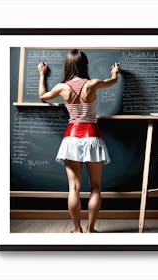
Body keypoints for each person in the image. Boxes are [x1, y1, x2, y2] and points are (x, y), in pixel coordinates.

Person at [38, 49, 120, 233]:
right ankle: (91, 229)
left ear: (67, 66)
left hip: (72, 138)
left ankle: (77, 229)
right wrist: (115, 72)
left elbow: (43, 96)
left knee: (74, 188)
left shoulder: (62, 87)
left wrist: (42, 74)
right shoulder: (93, 84)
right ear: (85, 65)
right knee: (96, 188)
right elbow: (113, 81)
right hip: (92, 136)